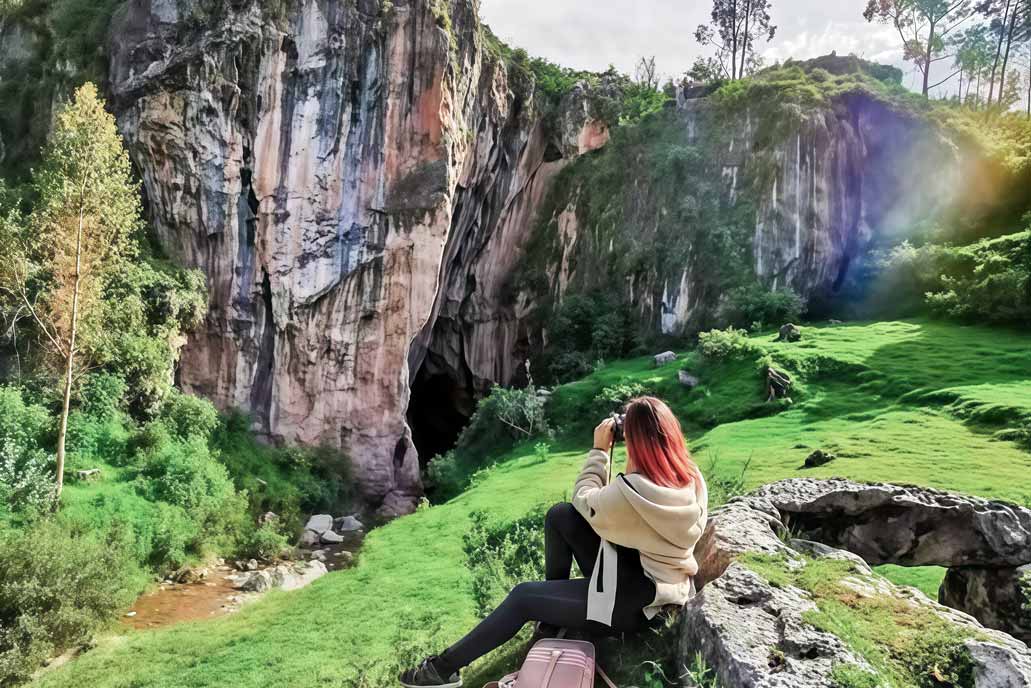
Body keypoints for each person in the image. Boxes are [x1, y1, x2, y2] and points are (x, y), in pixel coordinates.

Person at [399, 397, 708, 688]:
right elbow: (589, 514)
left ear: (636, 442)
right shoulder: (691, 477)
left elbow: (585, 499)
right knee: (560, 517)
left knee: (523, 597)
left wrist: (600, 451)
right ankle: (555, 618)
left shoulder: (634, 490)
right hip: (659, 580)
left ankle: (440, 670)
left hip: (638, 605)